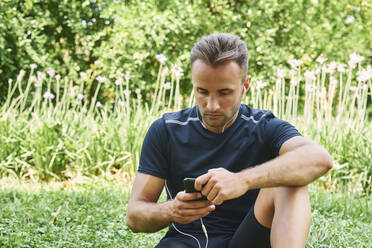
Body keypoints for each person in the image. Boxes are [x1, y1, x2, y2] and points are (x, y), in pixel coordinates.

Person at [126, 33, 333, 248]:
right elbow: (134, 217)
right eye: (202, 92)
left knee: (290, 182)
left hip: (247, 241)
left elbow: (319, 159)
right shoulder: (166, 130)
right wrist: (171, 210)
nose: (212, 105)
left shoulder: (263, 127)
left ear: (245, 85)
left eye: (224, 92)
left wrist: (242, 181)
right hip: (184, 243)